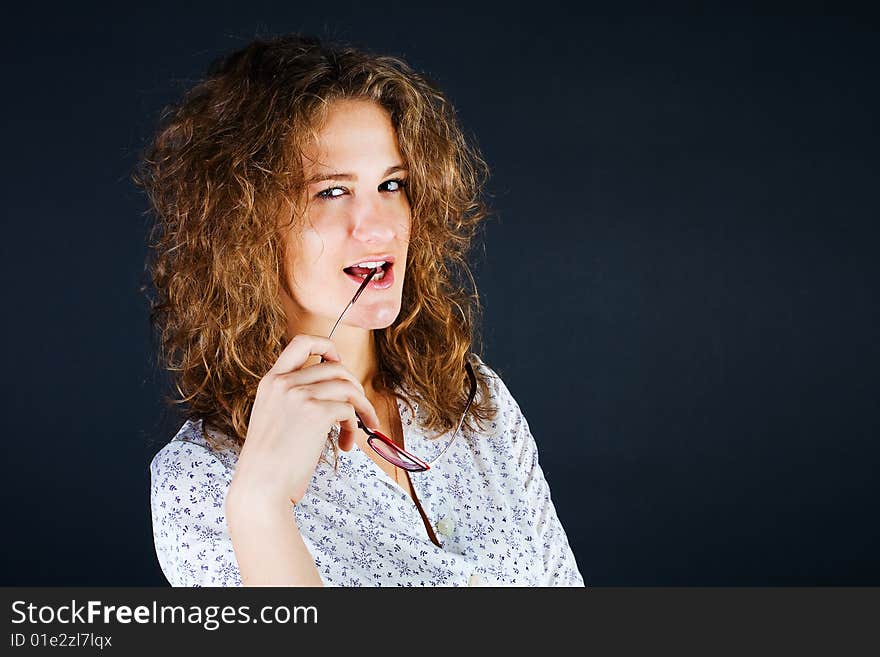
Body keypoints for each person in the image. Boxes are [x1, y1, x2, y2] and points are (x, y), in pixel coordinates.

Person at [137, 34, 584, 587]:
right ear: (241, 226)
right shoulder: (203, 480)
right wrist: (262, 507)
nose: (380, 228)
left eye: (392, 184)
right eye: (330, 192)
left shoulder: (476, 400)